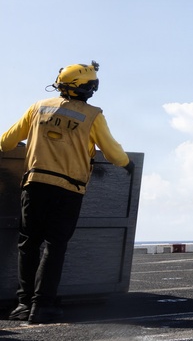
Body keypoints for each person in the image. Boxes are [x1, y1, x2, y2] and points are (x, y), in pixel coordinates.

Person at [0, 61, 132, 324]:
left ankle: (23, 305)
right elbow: (112, 151)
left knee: (28, 245)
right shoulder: (93, 115)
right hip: (68, 189)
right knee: (55, 246)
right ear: (88, 89)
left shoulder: (38, 107)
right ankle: (42, 306)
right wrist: (127, 164)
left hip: (34, 185)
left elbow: (6, 142)